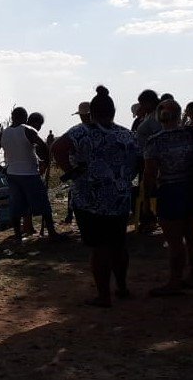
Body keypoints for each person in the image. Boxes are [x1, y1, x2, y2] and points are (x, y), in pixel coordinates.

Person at [52, 86, 139, 308]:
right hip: (120, 198)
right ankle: (122, 287)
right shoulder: (126, 134)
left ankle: (104, 296)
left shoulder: (81, 132)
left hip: (89, 199)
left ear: (91, 113)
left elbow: (57, 148)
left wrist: (71, 171)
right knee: (118, 244)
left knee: (99, 248)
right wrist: (125, 177)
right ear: (113, 112)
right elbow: (139, 160)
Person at [143, 100, 193, 296]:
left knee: (175, 241)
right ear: (178, 115)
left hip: (169, 191)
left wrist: (148, 199)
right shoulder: (192, 133)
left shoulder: (154, 141)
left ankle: (174, 282)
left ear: (159, 117)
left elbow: (150, 173)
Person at [0, 106, 63, 244]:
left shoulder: (3, 134)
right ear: (25, 118)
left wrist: (2, 169)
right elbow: (43, 146)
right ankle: (52, 233)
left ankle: (18, 237)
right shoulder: (28, 130)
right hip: (29, 173)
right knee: (43, 203)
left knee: (16, 205)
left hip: (12, 174)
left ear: (12, 117)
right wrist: (45, 163)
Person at [134, 89, 162, 233]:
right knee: (147, 190)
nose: (141, 107)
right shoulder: (150, 116)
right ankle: (149, 219)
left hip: (152, 160)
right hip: (146, 158)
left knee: (150, 190)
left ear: (149, 103)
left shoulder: (156, 117)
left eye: (142, 104)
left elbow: (159, 136)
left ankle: (151, 220)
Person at [65, 102, 93, 224]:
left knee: (75, 192)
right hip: (84, 168)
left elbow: (59, 148)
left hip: (81, 169)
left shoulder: (77, 131)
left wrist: (69, 170)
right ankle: (71, 215)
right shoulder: (102, 128)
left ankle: (71, 215)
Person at [22, 112, 47, 236]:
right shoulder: (29, 133)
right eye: (38, 125)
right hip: (27, 172)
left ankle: (27, 226)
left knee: (26, 200)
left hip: (23, 171)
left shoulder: (23, 132)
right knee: (29, 200)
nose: (39, 128)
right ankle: (27, 226)